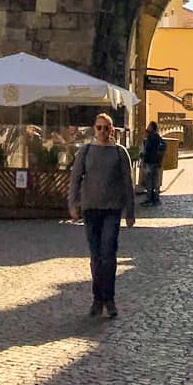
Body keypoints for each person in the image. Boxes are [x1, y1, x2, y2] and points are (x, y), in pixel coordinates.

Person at [68, 112, 136, 319]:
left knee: (108, 254)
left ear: (112, 130)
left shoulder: (119, 152)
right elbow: (75, 178)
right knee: (96, 256)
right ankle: (98, 299)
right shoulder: (86, 151)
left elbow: (128, 183)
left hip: (112, 210)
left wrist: (130, 211)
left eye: (106, 128)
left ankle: (109, 298)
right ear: (94, 129)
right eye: (99, 127)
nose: (103, 131)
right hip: (91, 209)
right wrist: (73, 203)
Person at [140, 121, 167, 205]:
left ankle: (150, 199)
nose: (147, 127)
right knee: (154, 180)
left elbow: (148, 149)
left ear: (152, 127)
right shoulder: (156, 136)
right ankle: (155, 199)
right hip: (155, 161)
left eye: (149, 126)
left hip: (150, 161)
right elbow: (164, 145)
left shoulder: (152, 136)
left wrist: (144, 156)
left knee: (150, 181)